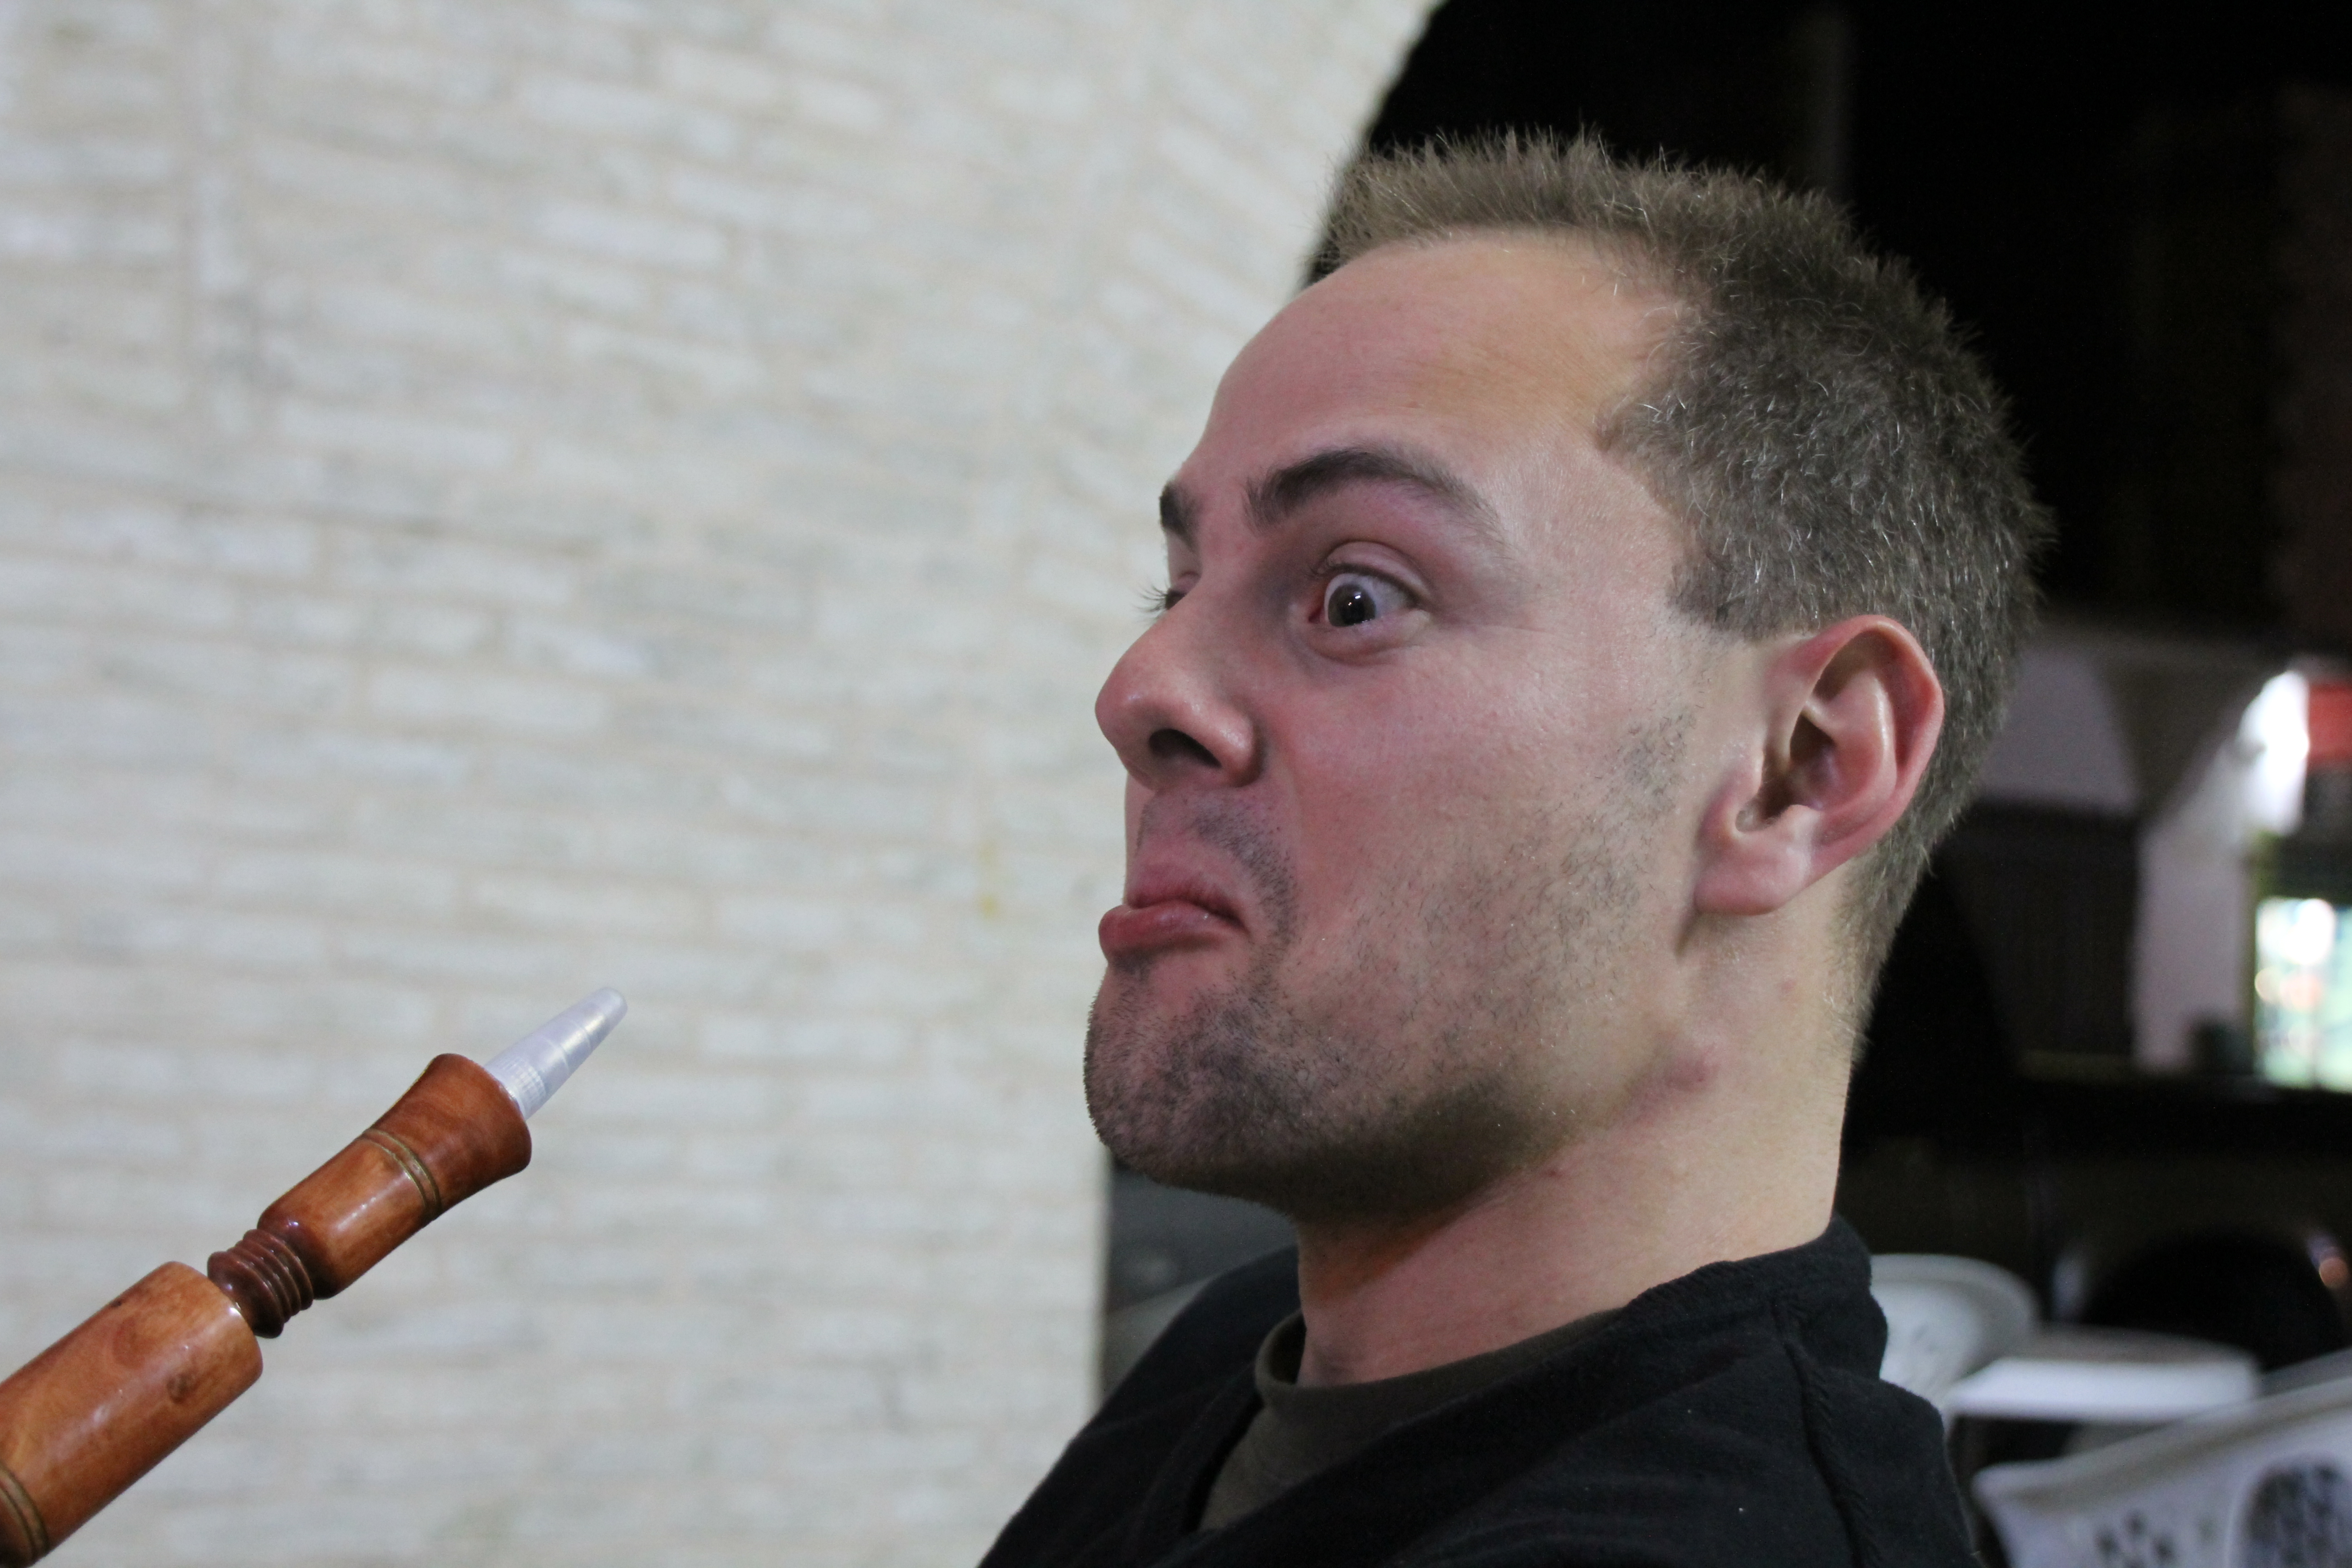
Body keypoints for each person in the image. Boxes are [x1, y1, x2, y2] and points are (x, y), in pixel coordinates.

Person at [982, 135, 2047, 1567]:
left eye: (1355, 598)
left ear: (1803, 770)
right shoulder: (1243, 1363)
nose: (1141, 692)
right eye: (1175, 592)